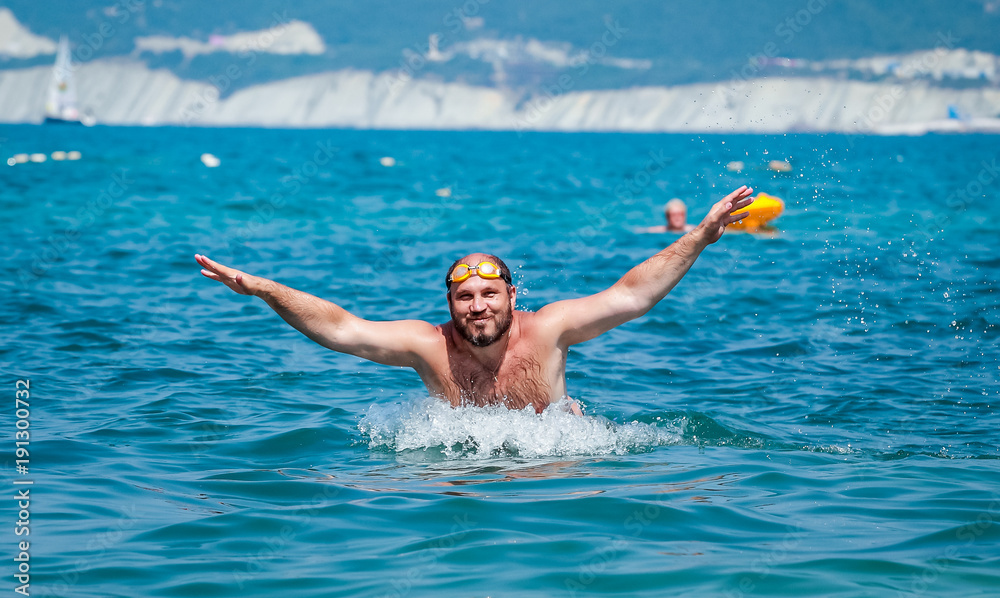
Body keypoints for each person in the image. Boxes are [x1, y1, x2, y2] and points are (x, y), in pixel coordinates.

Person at [196, 186, 754, 415]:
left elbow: (632, 295)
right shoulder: (427, 345)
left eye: (490, 294)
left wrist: (700, 236)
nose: (478, 306)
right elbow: (342, 329)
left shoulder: (549, 330)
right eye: (465, 297)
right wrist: (265, 288)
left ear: (513, 296)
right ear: (450, 303)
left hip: (550, 474)